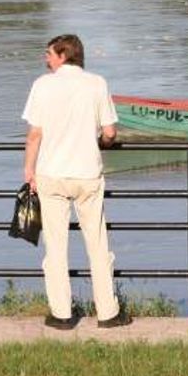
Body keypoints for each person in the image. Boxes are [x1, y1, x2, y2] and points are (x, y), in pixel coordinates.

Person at [22, 34, 132, 330]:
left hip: (51, 175)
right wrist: (100, 142)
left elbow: (34, 134)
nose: (46, 59)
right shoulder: (97, 83)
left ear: (62, 55)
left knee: (55, 248)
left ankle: (61, 314)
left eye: (49, 54)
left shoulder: (42, 85)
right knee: (97, 246)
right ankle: (108, 313)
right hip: (87, 174)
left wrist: (28, 170)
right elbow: (110, 133)